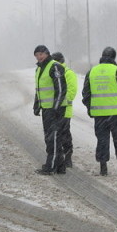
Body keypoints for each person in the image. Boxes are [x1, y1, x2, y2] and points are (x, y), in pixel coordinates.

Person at [82, 47, 117, 176]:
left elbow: (85, 94)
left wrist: (90, 109)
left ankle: (103, 168)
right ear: (114, 58)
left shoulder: (91, 72)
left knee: (102, 140)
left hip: (99, 115)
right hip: (115, 114)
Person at [33, 45, 68, 175]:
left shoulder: (54, 66)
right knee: (52, 137)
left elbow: (60, 89)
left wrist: (56, 107)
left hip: (55, 109)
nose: (39, 57)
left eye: (41, 54)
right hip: (47, 109)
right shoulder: (39, 69)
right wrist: (37, 105)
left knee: (52, 137)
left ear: (47, 53)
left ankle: (51, 165)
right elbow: (39, 90)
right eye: (37, 55)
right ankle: (60, 165)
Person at [51, 52, 76, 168]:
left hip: (65, 109)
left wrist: (61, 102)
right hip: (54, 109)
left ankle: (68, 157)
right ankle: (58, 157)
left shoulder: (68, 73)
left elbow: (71, 91)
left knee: (65, 134)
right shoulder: (53, 73)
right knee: (56, 134)